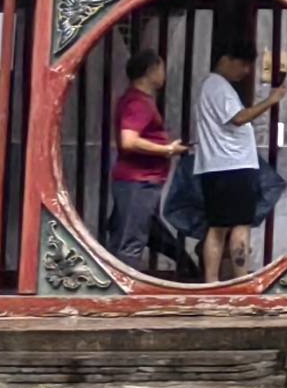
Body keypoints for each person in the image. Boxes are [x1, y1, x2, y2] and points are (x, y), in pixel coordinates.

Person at [192, 35, 278, 281]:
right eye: (243, 64)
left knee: (217, 227)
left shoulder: (212, 86)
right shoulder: (218, 85)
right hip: (234, 167)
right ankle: (240, 282)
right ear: (226, 60)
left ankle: (211, 282)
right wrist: (269, 101)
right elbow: (239, 118)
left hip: (216, 167)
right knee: (240, 227)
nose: (246, 70)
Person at [103, 38, 177, 273]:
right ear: (151, 70)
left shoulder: (134, 99)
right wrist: (167, 150)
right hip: (139, 180)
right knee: (131, 240)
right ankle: (122, 296)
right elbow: (129, 140)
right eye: (161, 68)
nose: (164, 74)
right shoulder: (139, 102)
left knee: (128, 233)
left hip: (138, 179)